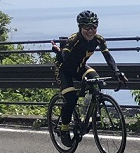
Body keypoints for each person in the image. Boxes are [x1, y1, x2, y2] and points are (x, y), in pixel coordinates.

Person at [52, 10, 128, 144]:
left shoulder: (99, 39)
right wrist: (59, 52)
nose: (90, 30)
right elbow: (65, 56)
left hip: (81, 68)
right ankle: (64, 129)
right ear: (80, 27)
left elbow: (108, 57)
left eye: (93, 27)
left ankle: (89, 113)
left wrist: (117, 72)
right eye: (87, 27)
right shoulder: (74, 39)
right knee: (71, 98)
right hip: (64, 70)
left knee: (97, 81)